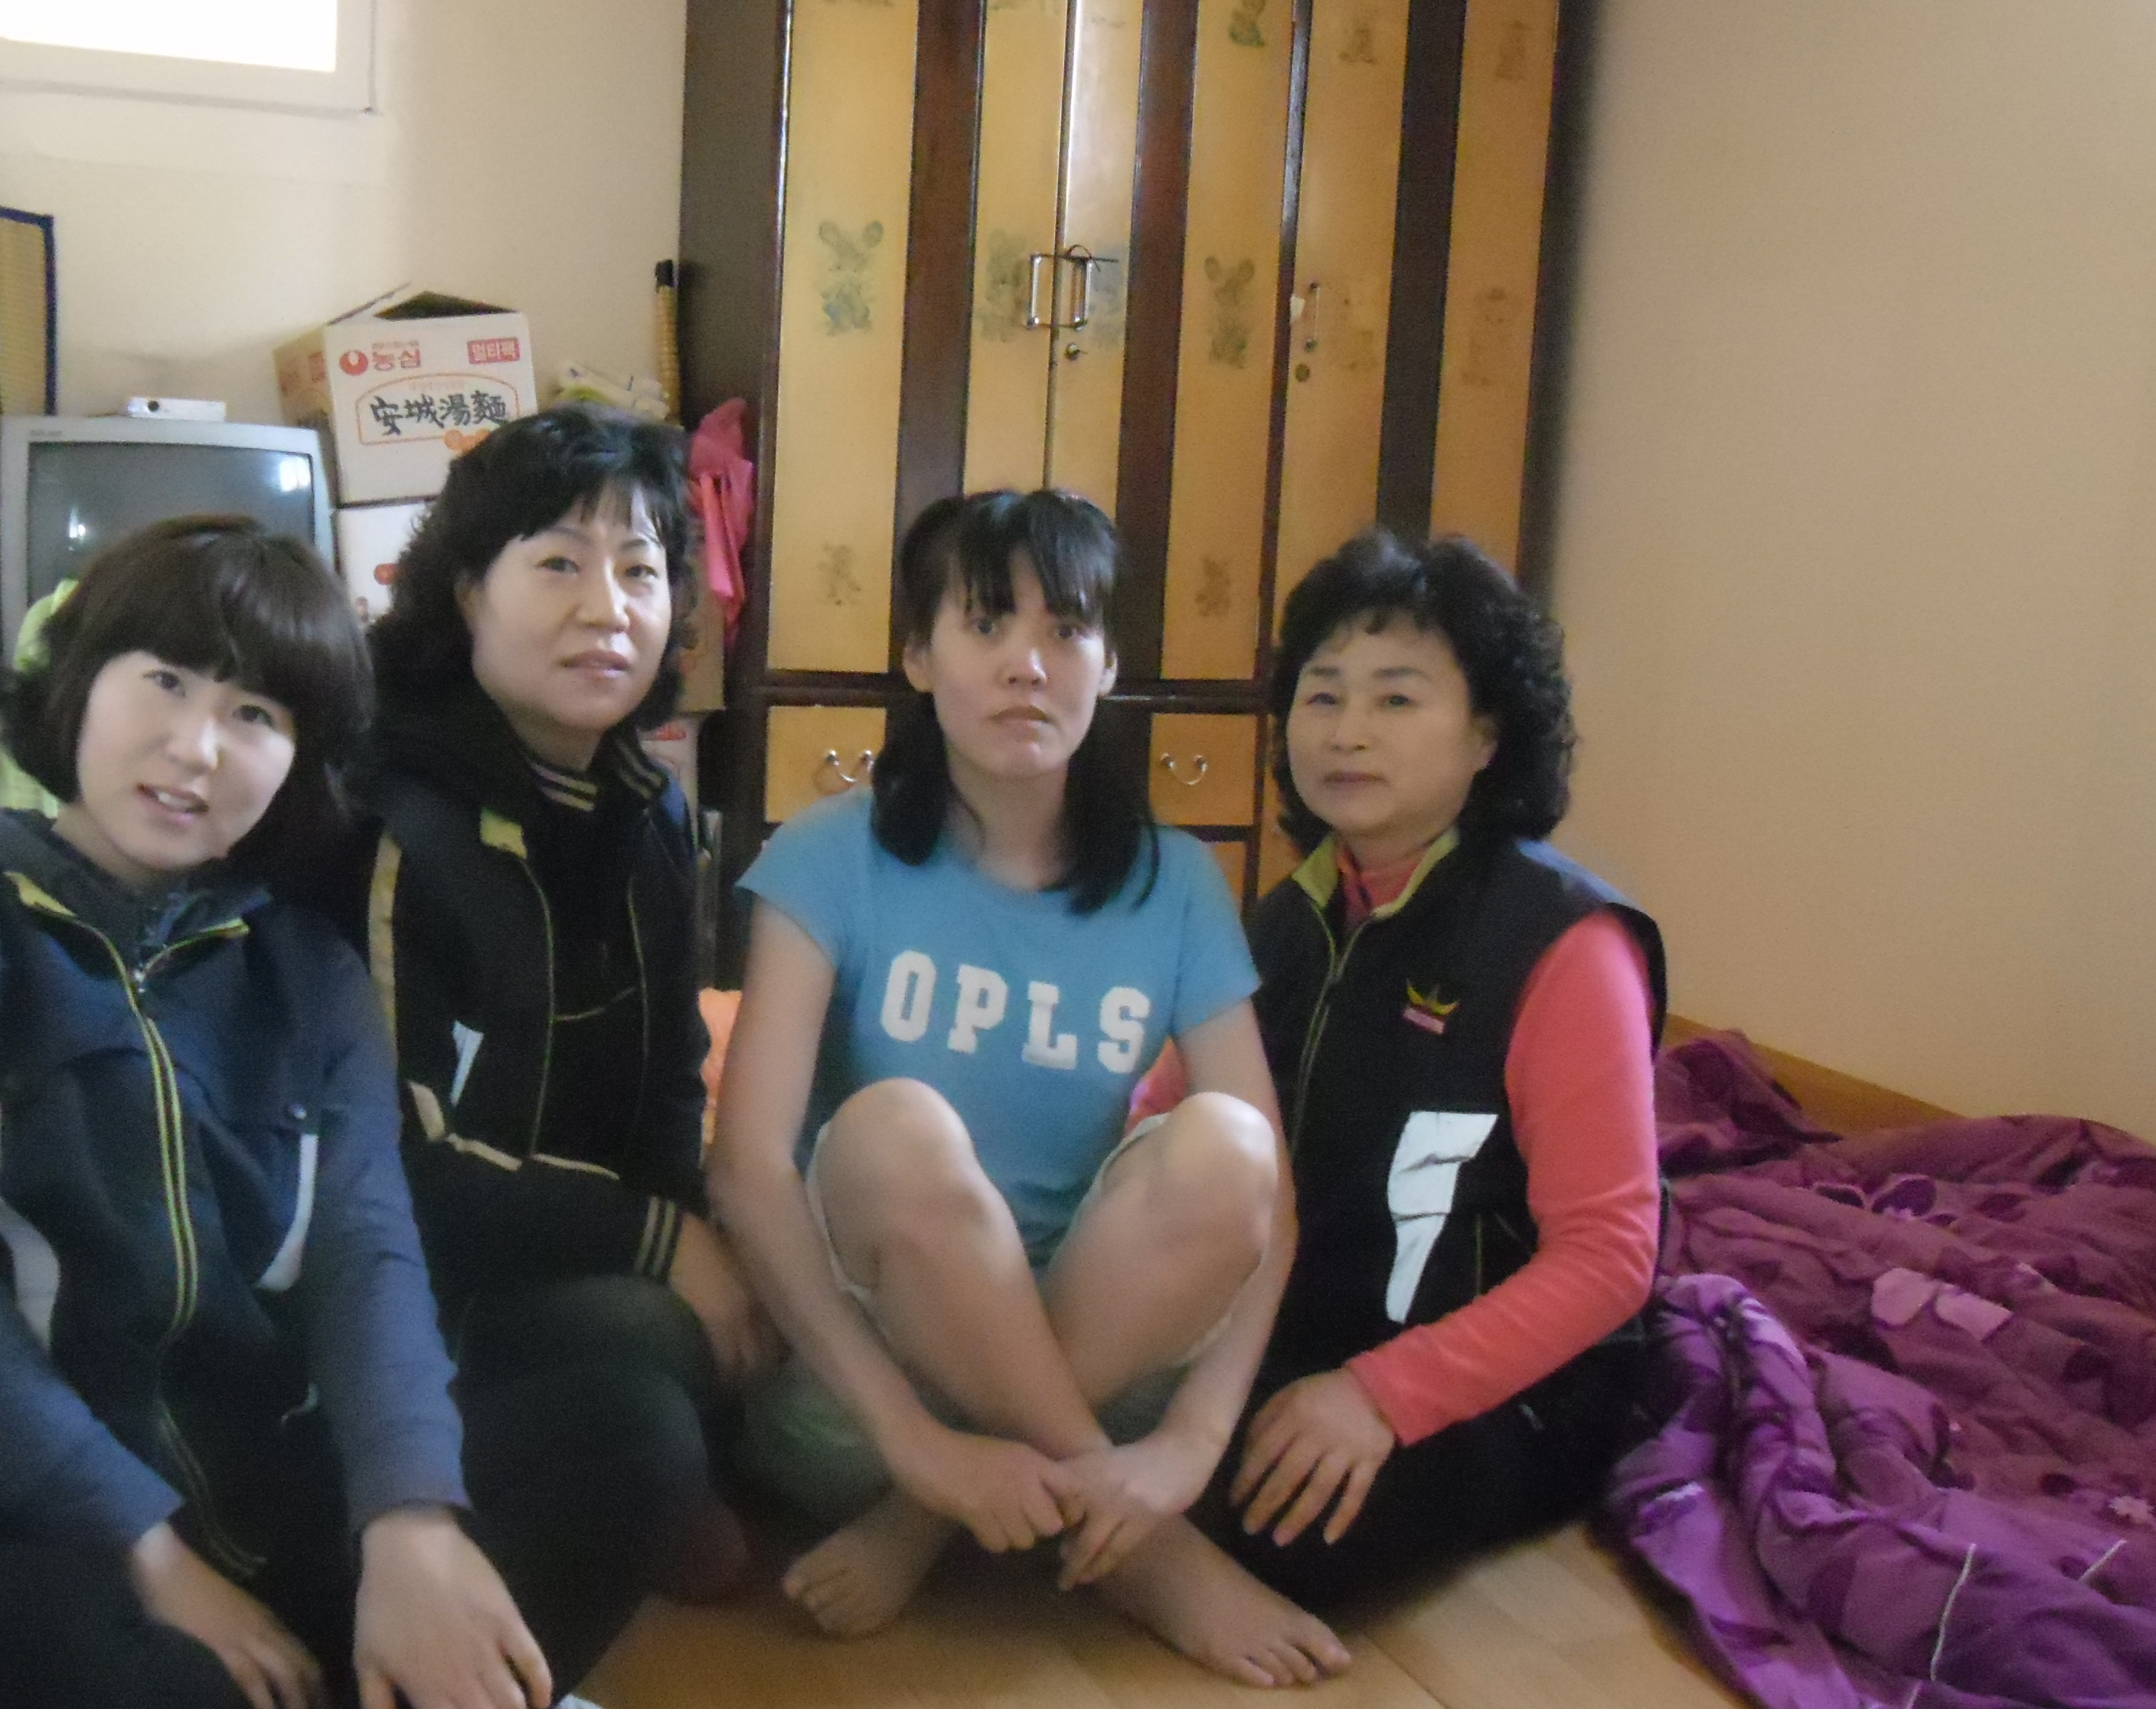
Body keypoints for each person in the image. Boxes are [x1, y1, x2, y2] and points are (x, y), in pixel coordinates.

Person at [0, 516, 573, 1709]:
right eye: (166, 680)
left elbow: (365, 1253)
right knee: (131, 1668)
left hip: (232, 1500)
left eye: (256, 714)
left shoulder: (309, 976)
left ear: (299, 762)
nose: (196, 748)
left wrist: (409, 1523)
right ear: (82, 680)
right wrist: (145, 1550)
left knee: (614, 1433)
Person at [711, 489, 1356, 1688]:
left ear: (1108, 665)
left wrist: (1196, 1437)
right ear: (919, 655)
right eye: (987, 623)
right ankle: (1141, 1554)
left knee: (1228, 1143)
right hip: (861, 1394)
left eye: (1066, 629)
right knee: (894, 1129)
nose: (1028, 663)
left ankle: (935, 1525)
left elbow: (1269, 1203)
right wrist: (915, 1448)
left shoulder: (1174, 884)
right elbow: (746, 1171)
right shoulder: (829, 855)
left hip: (1111, 1365)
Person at [348, 404, 766, 1632]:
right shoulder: (394, 820)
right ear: (466, 592)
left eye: (641, 570)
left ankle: (672, 1455)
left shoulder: (646, 805)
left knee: (783, 1292)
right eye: (559, 565)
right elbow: (394, 1165)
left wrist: (699, 1230)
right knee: (660, 1343)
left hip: (573, 1247)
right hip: (424, 1292)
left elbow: (674, 1070)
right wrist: (663, 1244)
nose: (609, 609)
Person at [1207, 528, 1665, 1606]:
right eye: (1323, 696)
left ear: (1487, 735)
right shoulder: (1288, 917)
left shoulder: (1563, 940)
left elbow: (1609, 1256)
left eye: (1397, 698)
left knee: (1296, 1531)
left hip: (1504, 1375)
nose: (1348, 732)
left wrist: (1380, 1395)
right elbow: (1171, 1117)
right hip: (1301, 1327)